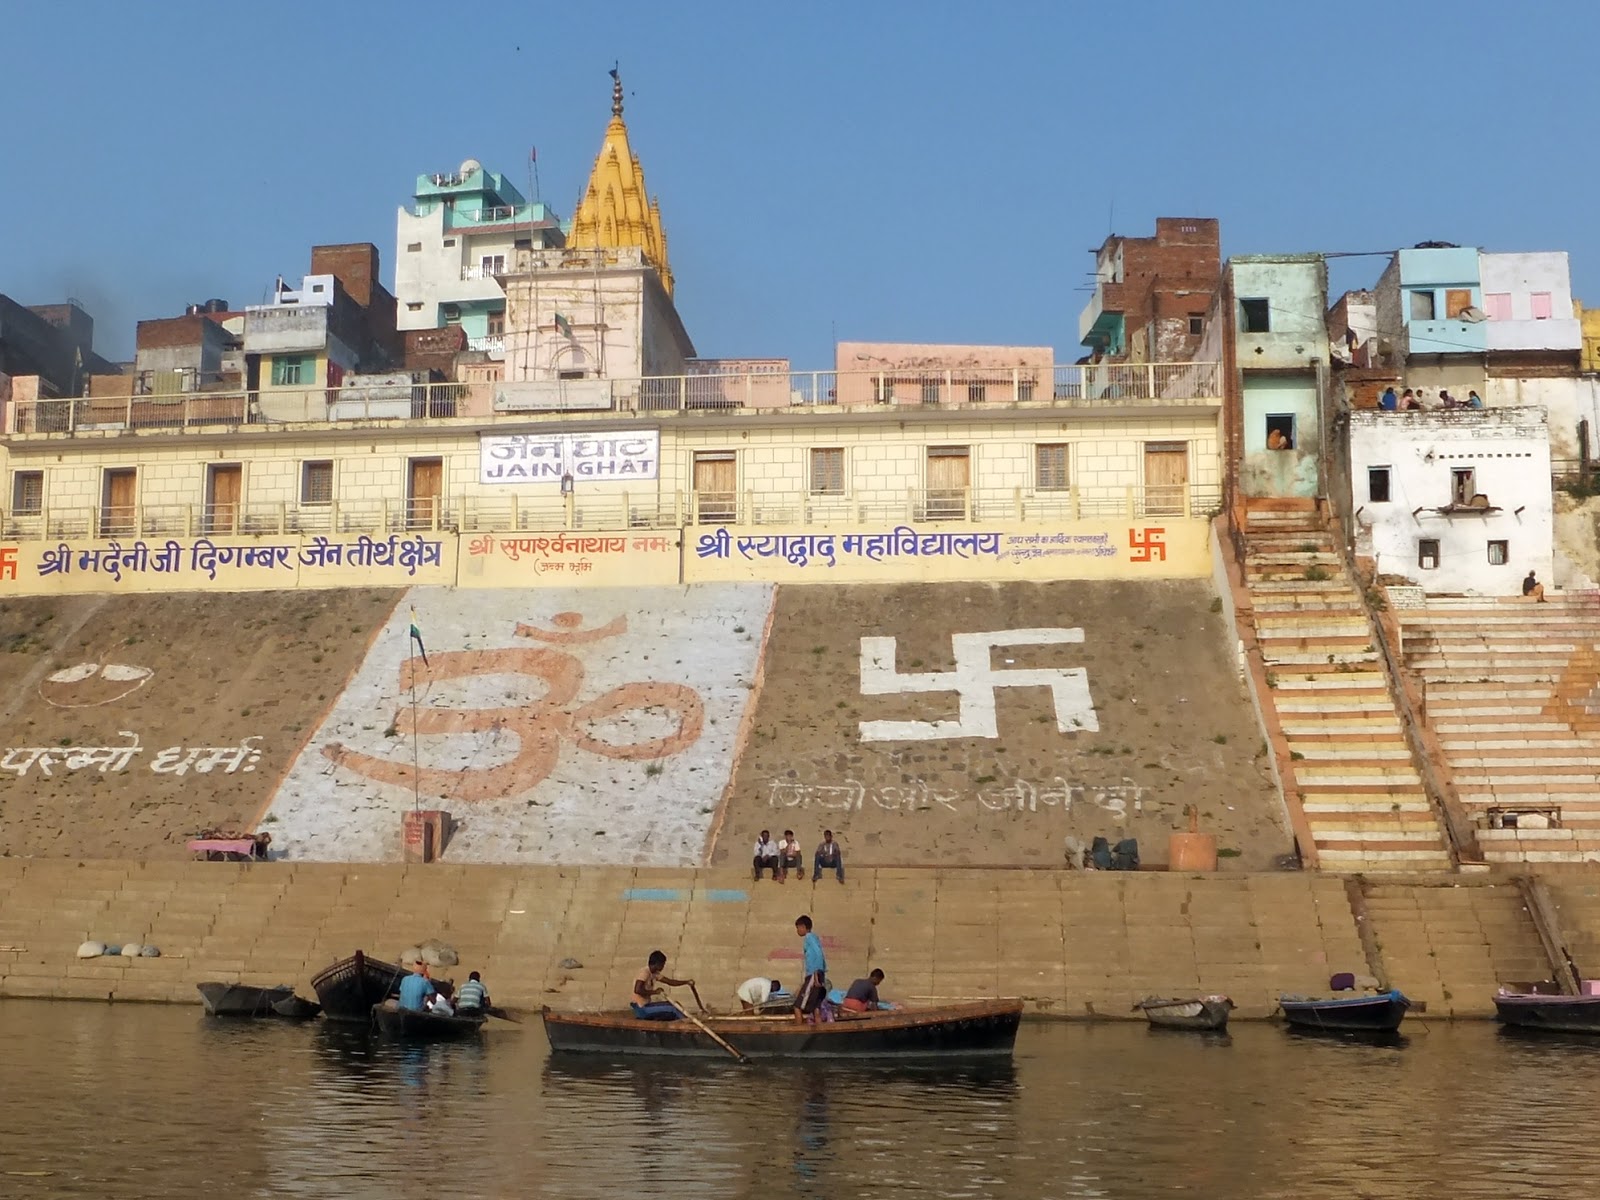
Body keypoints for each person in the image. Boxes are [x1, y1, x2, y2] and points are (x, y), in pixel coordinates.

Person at [632, 950, 694, 1021]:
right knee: (673, 1008)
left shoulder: (654, 974)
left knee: (675, 1004)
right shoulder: (644, 972)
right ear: (657, 964)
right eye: (663, 964)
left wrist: (686, 982)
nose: (663, 966)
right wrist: (655, 992)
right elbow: (637, 990)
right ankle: (686, 1022)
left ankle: (686, 1019)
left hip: (647, 1005)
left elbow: (670, 982)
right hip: (641, 1008)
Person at [793, 915, 828, 1023]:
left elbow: (818, 953)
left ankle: (798, 1032)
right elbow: (820, 954)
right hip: (817, 974)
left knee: (797, 1006)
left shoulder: (809, 937)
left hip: (814, 975)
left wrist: (816, 973)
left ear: (803, 927)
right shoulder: (814, 937)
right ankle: (820, 1031)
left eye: (798, 927)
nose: (797, 930)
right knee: (815, 1008)